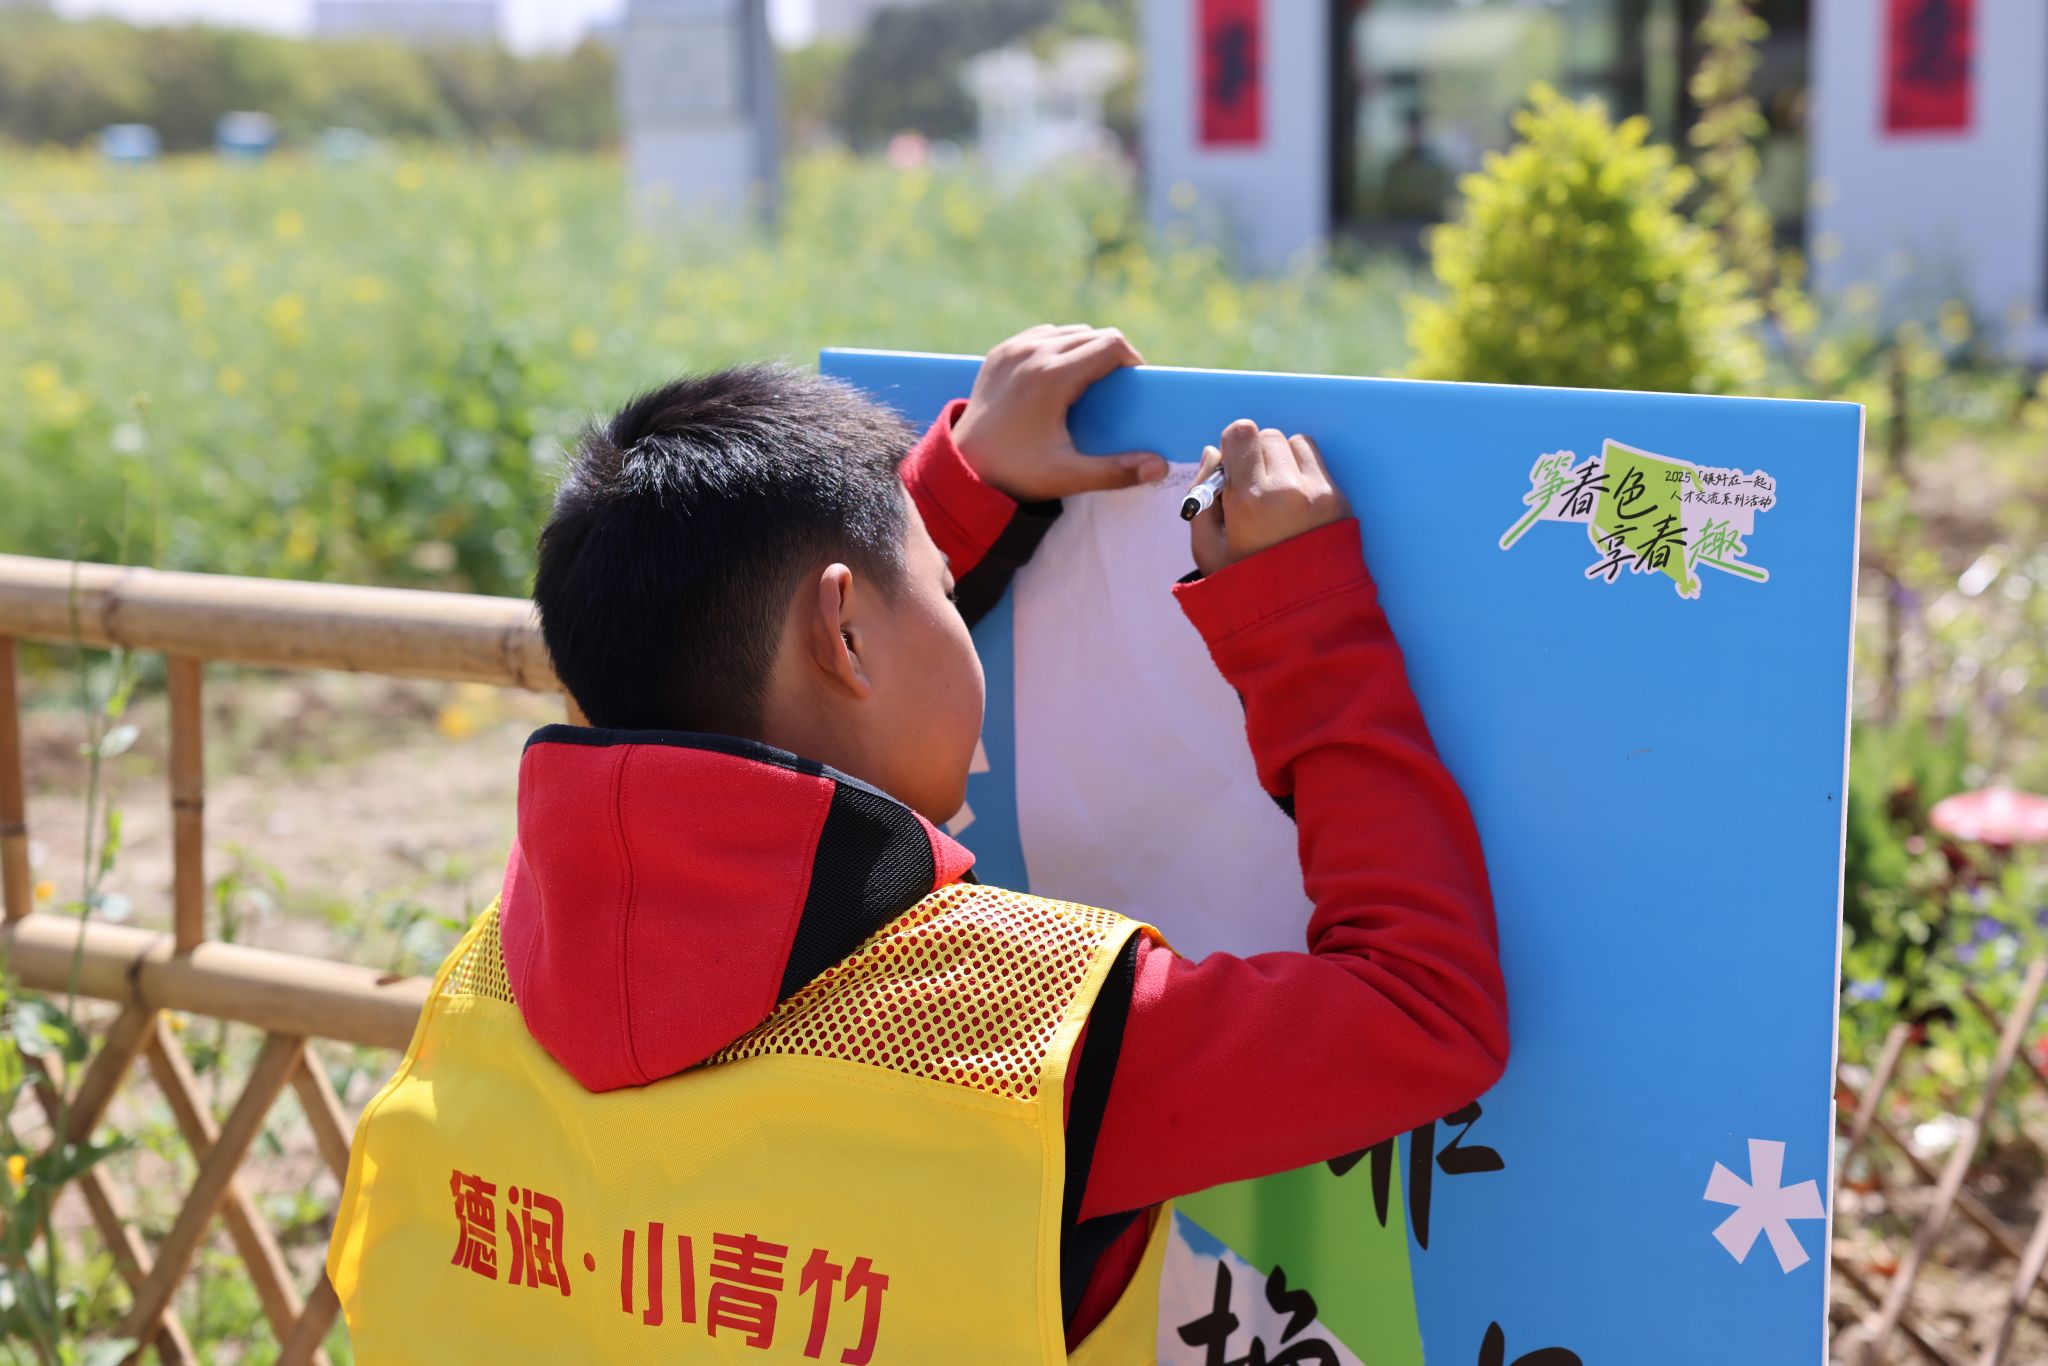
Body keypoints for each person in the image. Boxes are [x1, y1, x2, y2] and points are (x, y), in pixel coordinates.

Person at [328, 324, 1508, 1361]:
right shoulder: (1033, 1040)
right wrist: (1298, 618)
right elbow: (1423, 1009)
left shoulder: (495, 967)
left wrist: (957, 488)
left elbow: (760, 678)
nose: (951, 601)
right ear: (844, 629)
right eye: (943, 587)